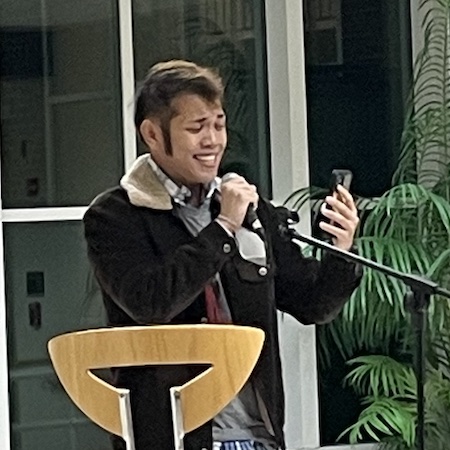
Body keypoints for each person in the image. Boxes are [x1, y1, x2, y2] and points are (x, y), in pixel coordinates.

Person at [83, 59, 361, 450]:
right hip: (171, 435)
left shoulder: (246, 204)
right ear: (152, 134)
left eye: (218, 124)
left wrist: (342, 250)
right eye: (196, 128)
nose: (212, 141)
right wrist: (223, 230)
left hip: (260, 434)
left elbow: (310, 303)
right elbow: (150, 302)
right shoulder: (116, 215)